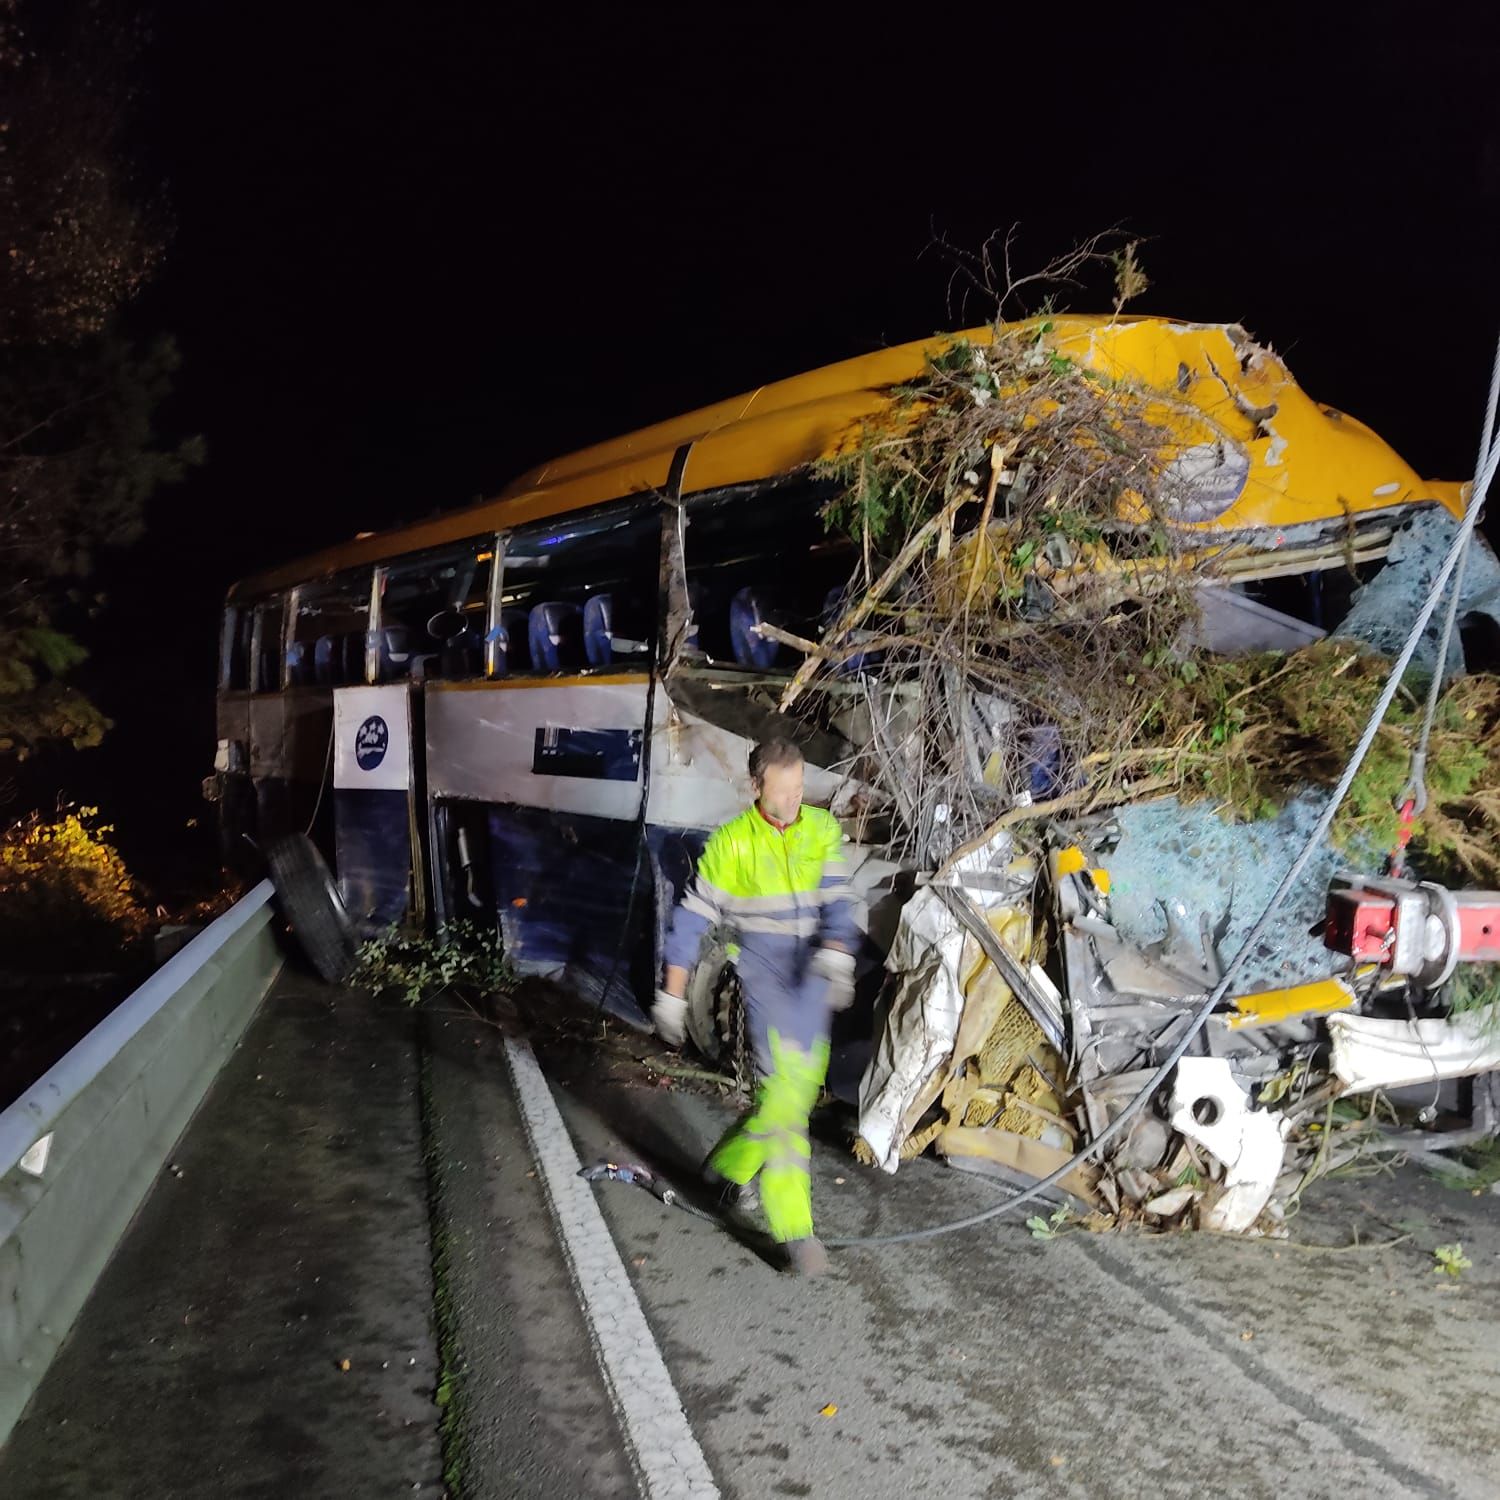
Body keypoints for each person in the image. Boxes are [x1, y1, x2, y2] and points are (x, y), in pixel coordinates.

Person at [653, 736, 857, 1275]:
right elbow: (691, 921)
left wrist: (838, 951)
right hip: (765, 984)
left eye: (799, 789)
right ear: (755, 786)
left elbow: (838, 898)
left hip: (812, 983)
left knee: (792, 1100)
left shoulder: (820, 830)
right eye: (782, 791)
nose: (794, 801)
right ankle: (798, 1237)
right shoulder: (731, 845)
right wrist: (672, 994)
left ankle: (724, 1171)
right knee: (787, 1115)